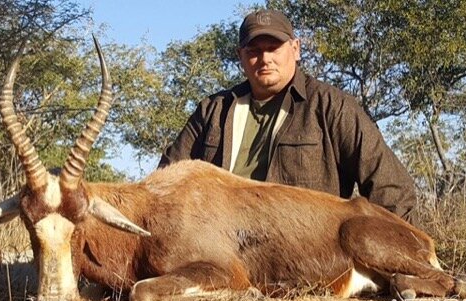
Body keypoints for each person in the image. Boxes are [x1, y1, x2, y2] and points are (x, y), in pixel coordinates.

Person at [159, 9, 417, 223]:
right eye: (254, 51)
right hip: (218, 245)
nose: (265, 59)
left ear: (295, 49)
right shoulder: (212, 110)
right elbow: (165, 183)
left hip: (301, 249)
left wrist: (398, 253)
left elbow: (392, 189)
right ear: (240, 57)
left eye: (274, 47)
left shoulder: (332, 106)